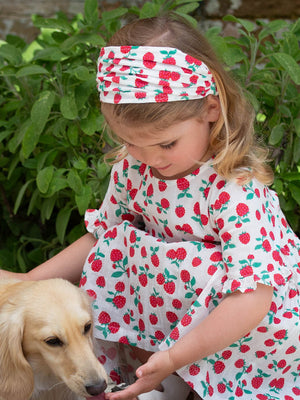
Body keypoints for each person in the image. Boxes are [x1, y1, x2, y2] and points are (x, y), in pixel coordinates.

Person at [1, 14, 300, 400]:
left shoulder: (233, 189)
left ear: (210, 110)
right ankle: (157, 380)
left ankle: (182, 376)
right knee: (121, 241)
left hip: (253, 331)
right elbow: (102, 236)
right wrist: (30, 282)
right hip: (177, 313)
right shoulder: (135, 166)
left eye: (166, 144)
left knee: (171, 261)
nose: (149, 159)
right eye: (130, 141)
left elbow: (252, 299)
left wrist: (176, 355)